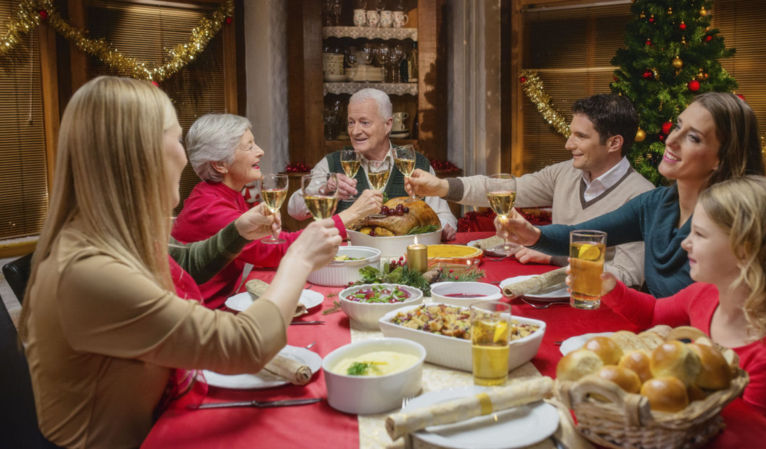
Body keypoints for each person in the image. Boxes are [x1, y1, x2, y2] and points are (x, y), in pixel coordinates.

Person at [18, 76, 343, 449]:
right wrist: (299, 259)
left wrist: (237, 230)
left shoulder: (105, 234)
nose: (185, 157)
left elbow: (184, 261)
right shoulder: (87, 271)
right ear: (140, 156)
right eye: (175, 139)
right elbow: (246, 345)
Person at [571, 175, 766, 437]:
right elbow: (655, 313)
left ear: (744, 250)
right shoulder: (705, 294)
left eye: (699, 234)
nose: (684, 243)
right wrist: (611, 289)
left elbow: (754, 436)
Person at [497, 92, 764, 297]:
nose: (670, 140)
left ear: (721, 158)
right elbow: (585, 235)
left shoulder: (732, 222)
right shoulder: (656, 204)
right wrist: (535, 236)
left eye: (693, 137)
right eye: (677, 126)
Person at [405, 94, 653, 287]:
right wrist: (441, 187)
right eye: (570, 134)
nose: (569, 144)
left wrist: (555, 256)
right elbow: (504, 188)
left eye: (580, 137)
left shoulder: (641, 196)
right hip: (556, 290)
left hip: (598, 307)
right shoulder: (565, 173)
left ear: (614, 143)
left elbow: (627, 277)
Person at [172, 113, 383, 309]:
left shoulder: (225, 194)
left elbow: (272, 245)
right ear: (220, 165)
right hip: (208, 317)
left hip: (225, 304)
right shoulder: (209, 208)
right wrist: (353, 214)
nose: (260, 151)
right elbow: (279, 251)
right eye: (249, 146)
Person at [287, 88, 458, 240]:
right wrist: (325, 189)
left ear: (388, 125)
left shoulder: (416, 164)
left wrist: (441, 227)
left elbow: (446, 217)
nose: (355, 131)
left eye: (364, 122)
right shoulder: (332, 163)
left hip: (403, 260)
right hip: (350, 259)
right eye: (351, 122)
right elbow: (294, 209)